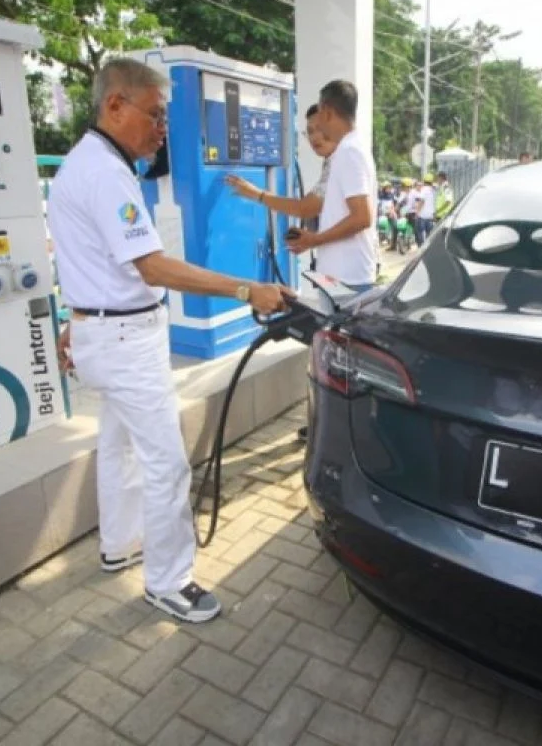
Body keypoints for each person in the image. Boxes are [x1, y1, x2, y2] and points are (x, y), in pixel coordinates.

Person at [49, 58, 290, 624]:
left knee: (117, 444)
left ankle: (120, 544)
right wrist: (246, 288)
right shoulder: (107, 174)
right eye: (156, 115)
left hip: (99, 331)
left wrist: (77, 320)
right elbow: (153, 267)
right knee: (166, 463)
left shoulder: (80, 163)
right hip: (125, 342)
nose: (163, 130)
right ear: (115, 105)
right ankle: (169, 580)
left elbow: (89, 258)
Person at [285, 79, 379, 294]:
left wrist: (315, 239)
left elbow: (362, 217)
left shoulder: (349, 152)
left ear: (327, 112)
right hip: (341, 276)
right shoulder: (349, 148)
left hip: (347, 280)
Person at [223, 103, 335, 240]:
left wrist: (256, 193)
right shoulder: (331, 161)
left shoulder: (341, 161)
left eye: (320, 129)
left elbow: (304, 208)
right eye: (310, 132)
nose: (314, 137)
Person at [412, 173, 437, 243]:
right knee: (429, 234)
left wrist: (417, 212)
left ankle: (421, 247)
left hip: (422, 216)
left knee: (420, 234)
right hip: (430, 216)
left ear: (424, 181)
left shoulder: (424, 190)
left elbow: (422, 201)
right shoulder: (433, 190)